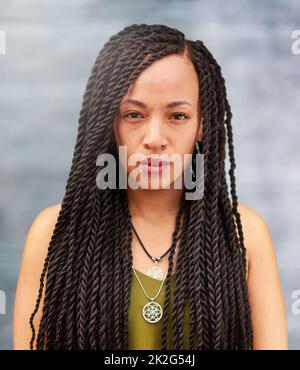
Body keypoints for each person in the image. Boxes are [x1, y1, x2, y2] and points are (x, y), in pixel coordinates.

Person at [13, 23, 288, 350]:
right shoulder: (53, 234)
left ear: (202, 124)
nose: (155, 139)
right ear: (108, 123)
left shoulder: (246, 236)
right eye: (133, 115)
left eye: (178, 116)